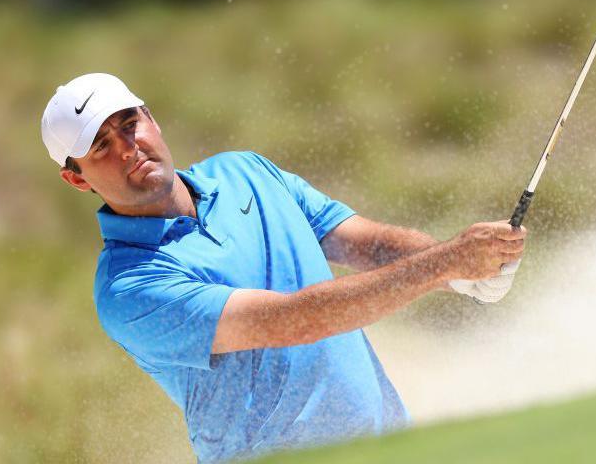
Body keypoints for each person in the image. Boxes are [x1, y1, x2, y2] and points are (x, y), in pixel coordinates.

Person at [40, 73, 526, 463]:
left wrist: (464, 272)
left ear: (151, 119)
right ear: (75, 178)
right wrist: (443, 264)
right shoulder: (128, 286)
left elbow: (366, 244)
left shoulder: (244, 172)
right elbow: (292, 320)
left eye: (128, 124)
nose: (127, 147)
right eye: (100, 145)